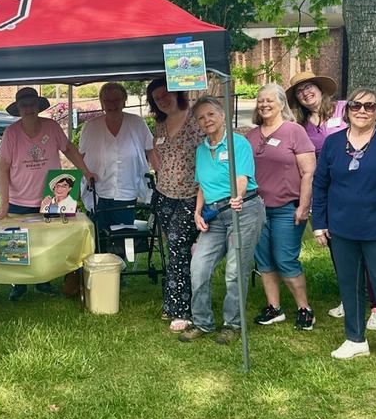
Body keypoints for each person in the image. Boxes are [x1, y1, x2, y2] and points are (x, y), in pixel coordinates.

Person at [312, 88, 376, 375]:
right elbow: (320, 185)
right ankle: (355, 338)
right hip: (342, 229)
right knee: (349, 285)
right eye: (356, 105)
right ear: (347, 110)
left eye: (369, 106)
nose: (362, 111)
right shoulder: (333, 144)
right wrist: (319, 222)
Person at [288, 70, 376, 328]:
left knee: (369, 249)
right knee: (339, 250)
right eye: (299, 91)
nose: (306, 93)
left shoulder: (345, 109)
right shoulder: (302, 125)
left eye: (309, 87)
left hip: (361, 187)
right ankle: (350, 298)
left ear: (320, 89)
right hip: (329, 191)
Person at [179, 97, 265, 345]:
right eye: (201, 118)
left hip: (243, 210)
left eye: (211, 115)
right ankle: (202, 322)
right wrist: (197, 212)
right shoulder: (201, 150)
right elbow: (202, 186)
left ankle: (232, 324)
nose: (206, 120)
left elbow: (242, 176)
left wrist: (237, 197)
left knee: (235, 271)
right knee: (199, 267)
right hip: (214, 215)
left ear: (221, 115)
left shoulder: (238, 143)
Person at [0, 87, 96, 301]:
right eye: (24, 105)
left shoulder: (51, 127)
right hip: (19, 197)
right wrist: (4, 202)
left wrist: (85, 171)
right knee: (16, 243)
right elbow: (3, 167)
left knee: (48, 242)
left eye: (32, 104)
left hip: (51, 195)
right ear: (18, 109)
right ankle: (19, 283)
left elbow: (69, 149)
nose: (29, 108)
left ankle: (45, 280)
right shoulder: (11, 133)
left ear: (38, 106)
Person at [246, 84, 317, 330]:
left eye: (269, 100)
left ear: (281, 104)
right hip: (256, 208)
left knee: (285, 258)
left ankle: (304, 308)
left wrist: (304, 206)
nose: (264, 105)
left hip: (288, 207)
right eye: (260, 101)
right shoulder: (251, 136)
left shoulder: (294, 131)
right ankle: (274, 307)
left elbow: (308, 172)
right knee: (264, 259)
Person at [146, 77, 204, 332]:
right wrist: (158, 165)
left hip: (192, 195)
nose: (162, 100)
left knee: (180, 246)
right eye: (157, 98)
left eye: (165, 95)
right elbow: (154, 151)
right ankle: (172, 302)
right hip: (164, 195)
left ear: (177, 93)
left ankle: (182, 310)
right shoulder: (160, 124)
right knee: (174, 249)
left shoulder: (195, 120)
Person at [78, 82, 157, 230]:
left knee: (123, 237)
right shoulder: (91, 126)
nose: (112, 104)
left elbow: (150, 149)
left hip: (127, 189)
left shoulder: (137, 122)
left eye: (116, 100)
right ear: (101, 102)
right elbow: (79, 156)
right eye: (107, 100)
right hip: (98, 191)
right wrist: (84, 173)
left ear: (124, 101)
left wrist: (160, 173)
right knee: (99, 238)